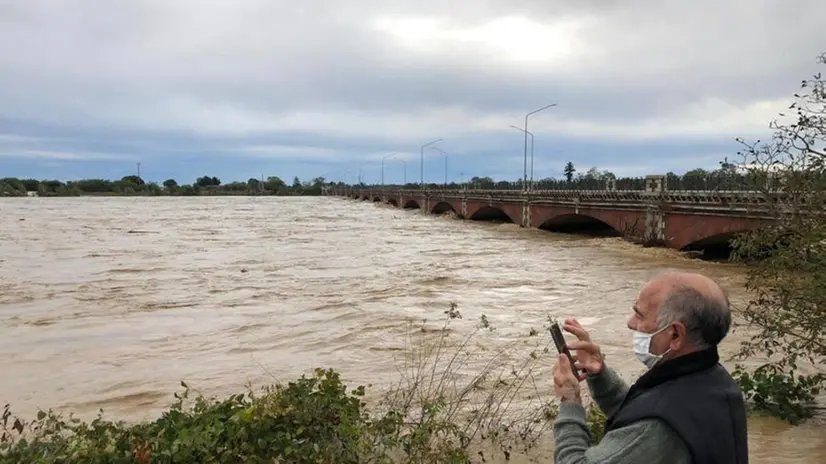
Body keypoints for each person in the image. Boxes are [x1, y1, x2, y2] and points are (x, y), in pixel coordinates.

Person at [552, 271, 749, 463]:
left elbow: (647, 429)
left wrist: (570, 402)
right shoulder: (713, 380)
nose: (630, 323)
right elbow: (641, 414)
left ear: (675, 335)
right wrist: (601, 376)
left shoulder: (659, 427)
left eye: (639, 315)